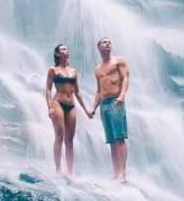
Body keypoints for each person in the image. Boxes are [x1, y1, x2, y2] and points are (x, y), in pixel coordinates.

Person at [46, 44, 92, 176]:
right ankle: (58, 169)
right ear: (58, 54)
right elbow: (48, 89)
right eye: (63, 49)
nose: (66, 51)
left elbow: (77, 92)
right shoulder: (53, 70)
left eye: (67, 49)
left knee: (70, 140)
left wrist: (86, 110)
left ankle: (70, 171)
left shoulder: (73, 72)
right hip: (58, 103)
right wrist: (49, 107)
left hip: (71, 105)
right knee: (59, 136)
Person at [92, 37, 130, 181]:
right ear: (99, 47)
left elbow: (125, 78)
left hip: (116, 101)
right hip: (104, 104)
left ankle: (123, 173)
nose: (107, 44)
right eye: (104, 42)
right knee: (112, 140)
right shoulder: (98, 69)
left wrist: (122, 96)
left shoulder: (118, 61)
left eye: (109, 42)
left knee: (120, 138)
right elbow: (98, 90)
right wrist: (93, 108)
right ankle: (116, 173)